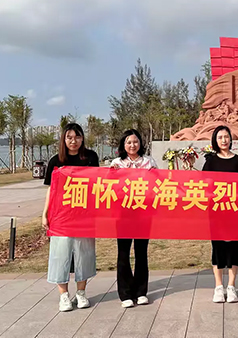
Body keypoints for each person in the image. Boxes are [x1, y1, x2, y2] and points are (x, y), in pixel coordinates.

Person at [42, 123, 99, 312]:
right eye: (69, 137)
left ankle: (81, 293)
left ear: (82, 138)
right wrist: (45, 213)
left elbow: (98, 183)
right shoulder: (56, 161)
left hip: (84, 215)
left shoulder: (91, 157)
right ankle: (64, 296)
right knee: (61, 254)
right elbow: (51, 190)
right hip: (61, 216)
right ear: (64, 139)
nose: (73, 141)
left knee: (84, 253)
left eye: (77, 137)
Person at [110, 129, 158, 308]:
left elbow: (158, 184)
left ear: (140, 143)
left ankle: (141, 292)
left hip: (143, 213)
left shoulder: (149, 162)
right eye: (129, 142)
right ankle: (125, 294)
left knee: (141, 252)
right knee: (123, 253)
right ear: (123, 145)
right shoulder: (116, 163)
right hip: (122, 214)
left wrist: (154, 175)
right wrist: (112, 174)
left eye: (135, 142)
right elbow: (109, 186)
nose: (132, 145)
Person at [202, 125, 238, 303]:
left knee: (234, 247)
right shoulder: (211, 161)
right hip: (217, 210)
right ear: (215, 140)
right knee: (218, 247)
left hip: (236, 210)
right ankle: (218, 286)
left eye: (226, 136)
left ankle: (231, 286)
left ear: (231, 139)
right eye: (220, 137)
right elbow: (203, 184)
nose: (224, 140)